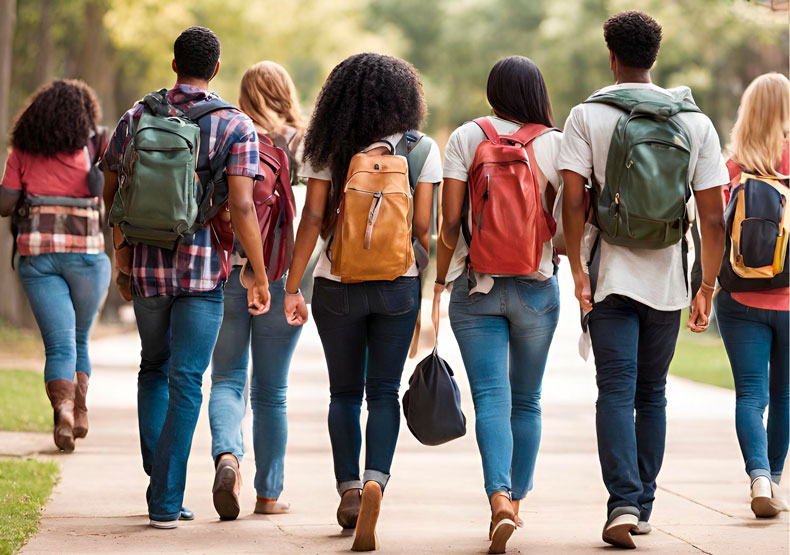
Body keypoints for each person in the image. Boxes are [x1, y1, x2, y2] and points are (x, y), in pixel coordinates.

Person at [560, 11, 728, 548]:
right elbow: (713, 216)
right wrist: (707, 286)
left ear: (611, 57)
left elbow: (570, 200)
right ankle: (644, 502)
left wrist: (577, 276)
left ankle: (623, 504)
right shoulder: (693, 122)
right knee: (651, 392)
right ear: (654, 58)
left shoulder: (587, 116)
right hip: (669, 279)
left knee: (613, 389)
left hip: (609, 275)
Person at [101, 26, 270, 529]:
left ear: (174, 65)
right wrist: (258, 273)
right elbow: (241, 205)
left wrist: (122, 254)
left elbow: (110, 187)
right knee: (188, 380)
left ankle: (162, 482)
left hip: (149, 268)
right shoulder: (236, 125)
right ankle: (165, 500)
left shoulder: (137, 114)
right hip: (202, 273)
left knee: (153, 368)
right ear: (216, 69)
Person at [283, 53, 441, 551]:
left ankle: (349, 489)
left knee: (344, 394)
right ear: (406, 97)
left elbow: (311, 219)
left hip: (336, 282)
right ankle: (377, 479)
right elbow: (424, 232)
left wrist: (291, 286)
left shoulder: (326, 144)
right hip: (398, 284)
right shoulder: (421, 149)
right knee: (384, 391)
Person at [433, 56, 562, 554]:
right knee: (527, 400)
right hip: (536, 284)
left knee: (491, 398)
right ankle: (517, 503)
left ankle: (499, 498)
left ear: (492, 91)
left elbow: (448, 223)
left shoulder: (467, 137)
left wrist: (442, 278)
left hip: (476, 285)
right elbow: (570, 218)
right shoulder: (553, 141)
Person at [208, 60, 304, 520]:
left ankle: (228, 457)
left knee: (227, 378)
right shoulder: (303, 143)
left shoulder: (230, 133)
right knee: (272, 391)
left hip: (228, 270)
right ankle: (269, 495)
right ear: (286, 91)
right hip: (283, 273)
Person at [0, 79, 111, 453]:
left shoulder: (23, 150)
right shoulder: (95, 144)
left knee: (58, 345)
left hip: (38, 257)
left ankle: (63, 410)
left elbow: (5, 204)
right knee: (79, 339)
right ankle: (79, 411)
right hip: (87, 257)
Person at [715, 72, 790, 518]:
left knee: (750, 395)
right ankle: (775, 481)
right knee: (784, 396)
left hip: (740, 299)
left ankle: (758, 475)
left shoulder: (732, 166)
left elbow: (714, 232)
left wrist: (703, 288)